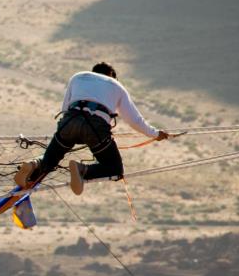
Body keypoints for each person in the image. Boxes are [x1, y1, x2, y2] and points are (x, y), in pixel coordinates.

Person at [15, 62, 169, 195]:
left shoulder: (78, 77)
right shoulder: (116, 85)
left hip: (69, 122)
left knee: (51, 158)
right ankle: (82, 169)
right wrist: (155, 134)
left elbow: (65, 108)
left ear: (93, 72)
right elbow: (134, 120)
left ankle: (33, 164)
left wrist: (64, 133)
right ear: (112, 76)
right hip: (95, 128)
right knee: (114, 168)